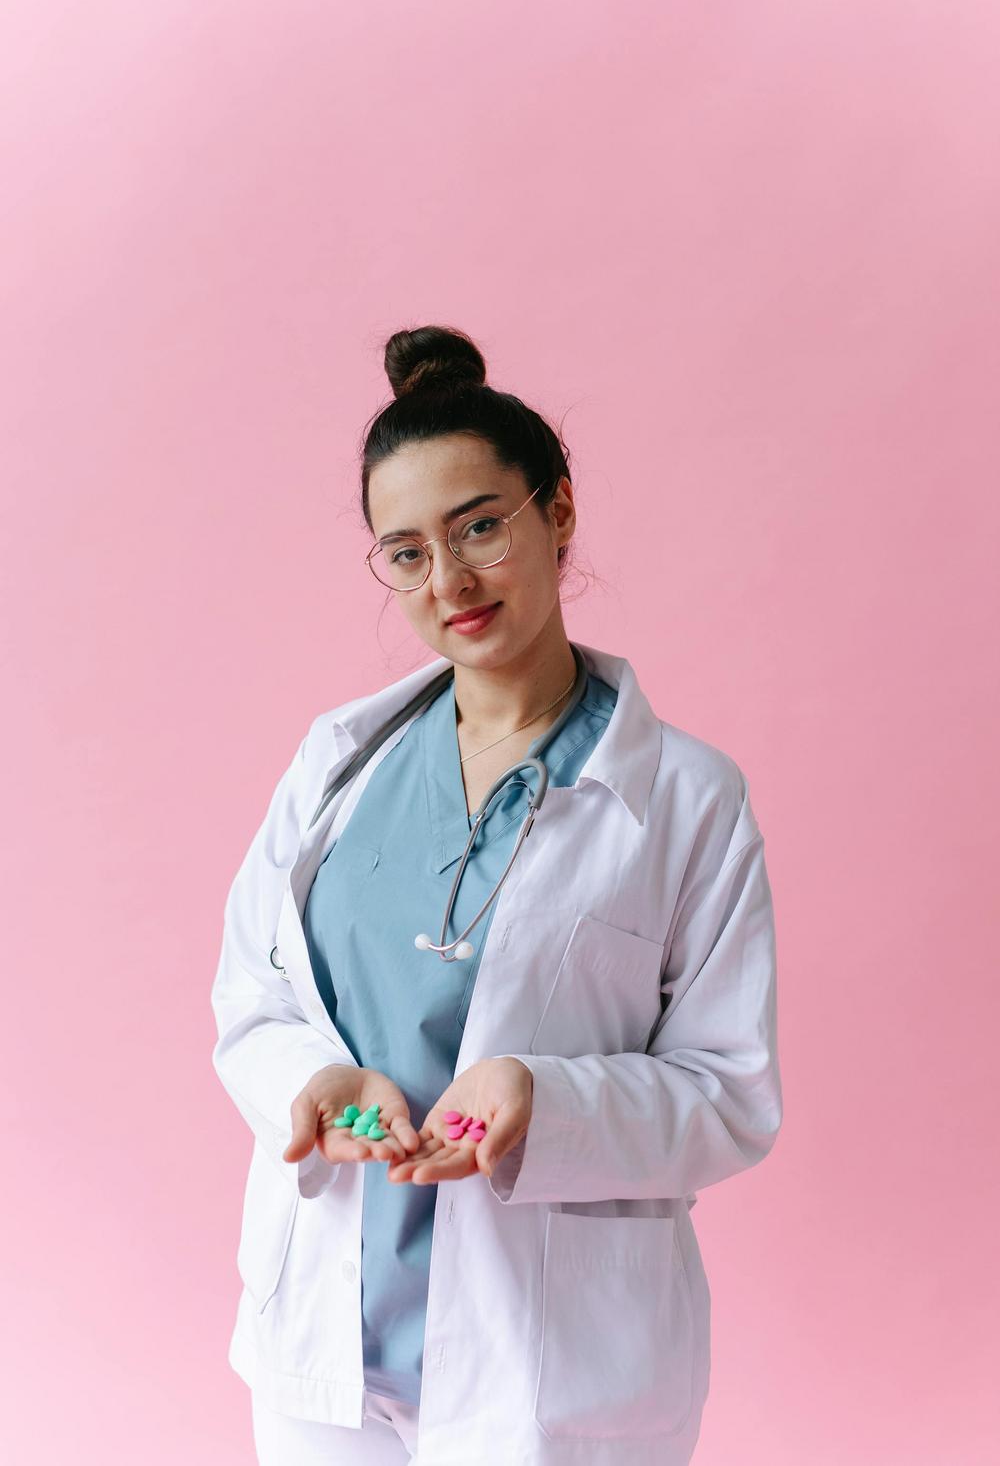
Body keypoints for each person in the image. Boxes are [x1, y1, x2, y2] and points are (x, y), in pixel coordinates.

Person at [210, 324, 783, 1466]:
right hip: (330, 1346)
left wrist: (540, 1098)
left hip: (549, 1365)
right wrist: (317, 1086)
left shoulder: (686, 799)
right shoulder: (337, 764)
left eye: (479, 526)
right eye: (407, 552)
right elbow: (251, 1002)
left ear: (556, 512)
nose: (451, 582)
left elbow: (727, 1095)